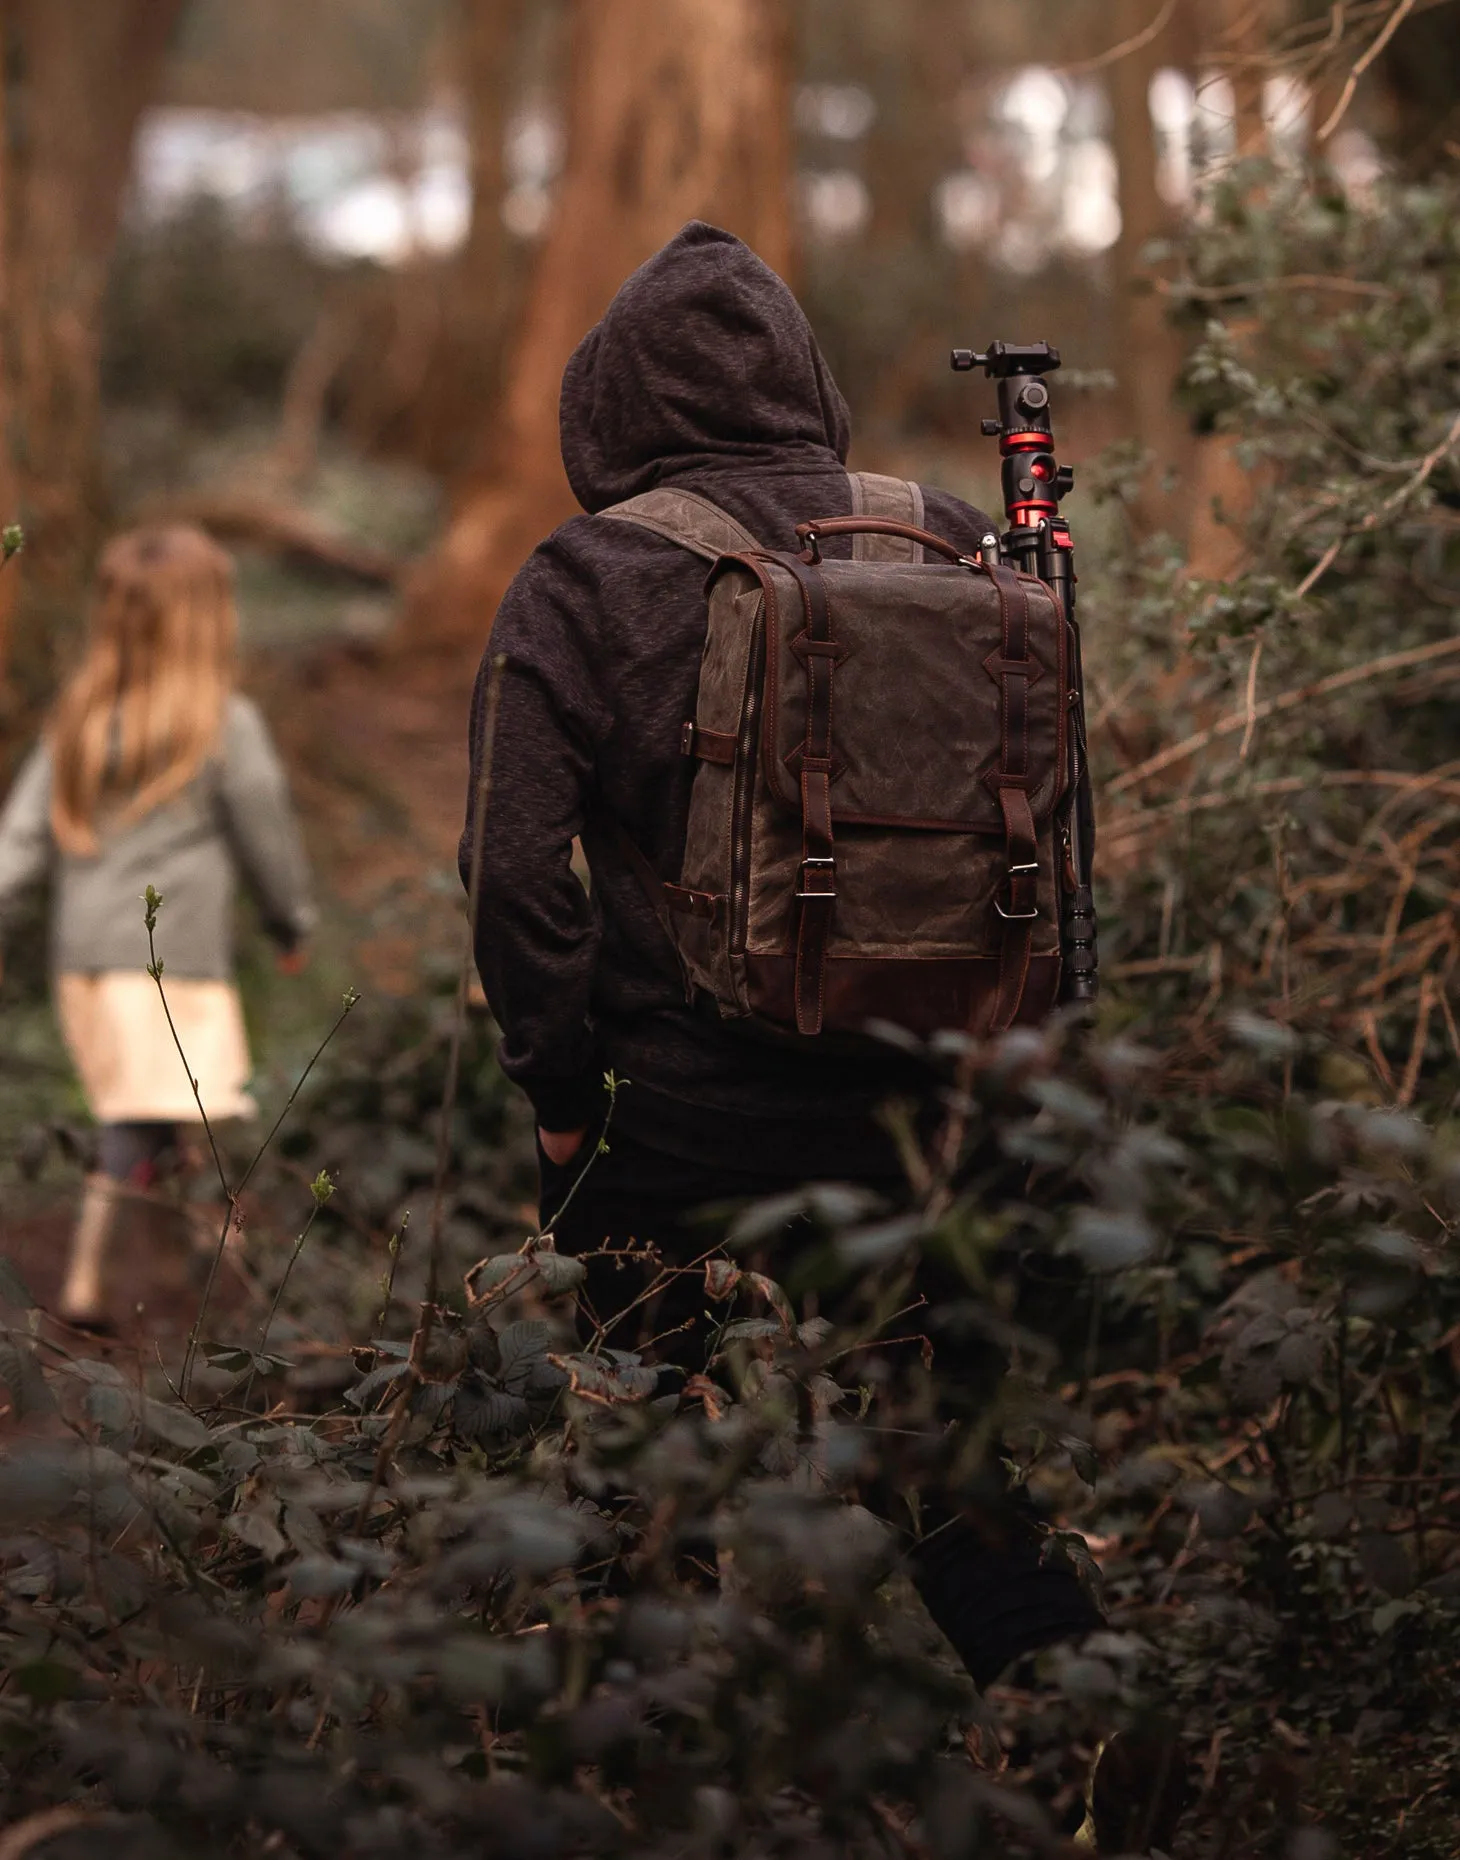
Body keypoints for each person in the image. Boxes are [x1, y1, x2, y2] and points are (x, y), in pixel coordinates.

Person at [463, 224, 1183, 1851]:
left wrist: (565, 1109)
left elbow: (510, 874)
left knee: (641, 1478)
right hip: (939, 1119)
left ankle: (653, 1793)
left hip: (677, 1135)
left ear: (609, 403)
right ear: (812, 385)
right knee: (950, 1473)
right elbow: (1046, 846)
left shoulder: (584, 577)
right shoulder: (949, 544)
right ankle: (1099, 1747)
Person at [0, 524, 315, 1330]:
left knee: (163, 1114)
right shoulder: (223, 723)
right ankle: (99, 1285)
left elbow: (22, 840)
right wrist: (290, 924)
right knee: (159, 1115)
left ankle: (175, 1266)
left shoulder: (77, 716)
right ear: (209, 618)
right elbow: (267, 836)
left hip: (83, 963)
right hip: (174, 963)